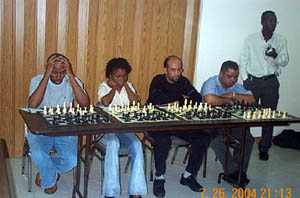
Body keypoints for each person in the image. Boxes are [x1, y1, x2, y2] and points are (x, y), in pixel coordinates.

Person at [147, 55, 210, 197]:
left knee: (203, 137)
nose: (177, 73)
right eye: (173, 70)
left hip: (179, 122)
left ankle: (188, 175)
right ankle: (159, 178)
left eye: (179, 70)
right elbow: (157, 99)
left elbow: (197, 98)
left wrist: (175, 101)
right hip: (158, 122)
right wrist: (181, 99)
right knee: (163, 141)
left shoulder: (183, 81)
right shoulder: (158, 80)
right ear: (165, 70)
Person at [27, 53, 90, 194]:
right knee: (37, 154)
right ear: (47, 69)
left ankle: (48, 170)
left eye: (62, 72)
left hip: (65, 128)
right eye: (54, 72)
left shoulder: (71, 80)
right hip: (40, 127)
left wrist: (71, 76)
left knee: (71, 160)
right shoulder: (37, 80)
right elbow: (32, 105)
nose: (58, 76)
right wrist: (47, 75)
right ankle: (50, 180)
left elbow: (85, 104)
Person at [239, 10, 289, 161]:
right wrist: (245, 79)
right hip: (254, 81)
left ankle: (264, 147)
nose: (272, 23)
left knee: (269, 116)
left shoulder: (280, 40)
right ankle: (244, 143)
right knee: (246, 114)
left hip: (271, 82)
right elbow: (243, 60)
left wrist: (276, 56)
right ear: (262, 22)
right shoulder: (251, 39)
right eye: (270, 20)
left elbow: (285, 61)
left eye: (274, 21)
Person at [97, 57, 147, 198]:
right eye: (118, 76)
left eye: (124, 76)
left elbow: (135, 101)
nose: (122, 79)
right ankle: (110, 192)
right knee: (113, 144)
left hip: (124, 128)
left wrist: (124, 86)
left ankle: (136, 191)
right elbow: (105, 102)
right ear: (110, 75)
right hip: (106, 130)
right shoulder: (103, 87)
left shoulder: (128, 86)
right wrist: (114, 88)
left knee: (137, 144)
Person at [201, 60, 255, 187]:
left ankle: (239, 172)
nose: (233, 80)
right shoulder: (211, 82)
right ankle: (232, 173)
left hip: (230, 123)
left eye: (235, 77)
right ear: (221, 74)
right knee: (217, 140)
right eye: (229, 76)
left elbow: (251, 99)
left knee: (247, 138)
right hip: (210, 123)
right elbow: (209, 99)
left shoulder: (235, 87)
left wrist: (233, 94)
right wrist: (228, 100)